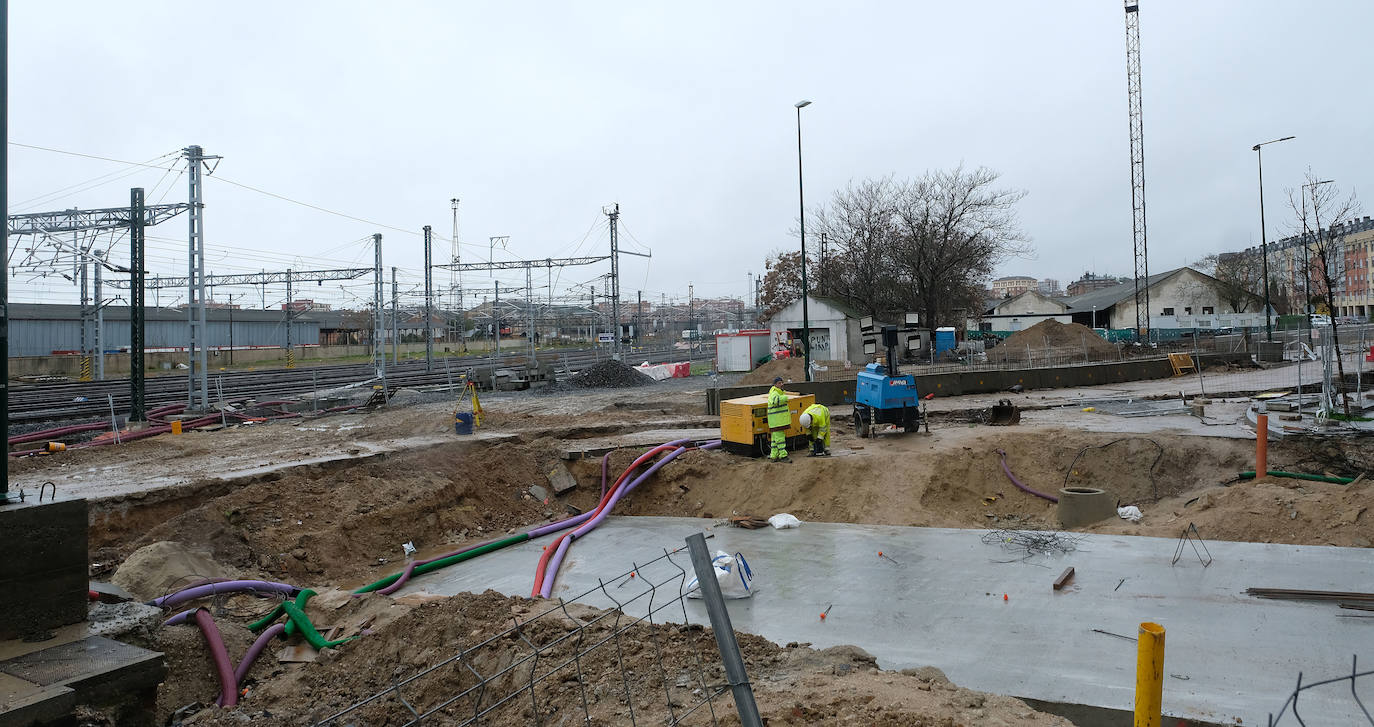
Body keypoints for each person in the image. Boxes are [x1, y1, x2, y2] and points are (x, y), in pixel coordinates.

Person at [765, 376, 792, 463]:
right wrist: (785, 398)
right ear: (775, 384)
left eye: (782, 382)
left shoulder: (779, 392)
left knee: (774, 439)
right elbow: (775, 401)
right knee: (780, 439)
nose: (781, 384)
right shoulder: (774, 393)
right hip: (777, 421)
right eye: (779, 383)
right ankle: (783, 456)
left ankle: (774, 456)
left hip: (777, 421)